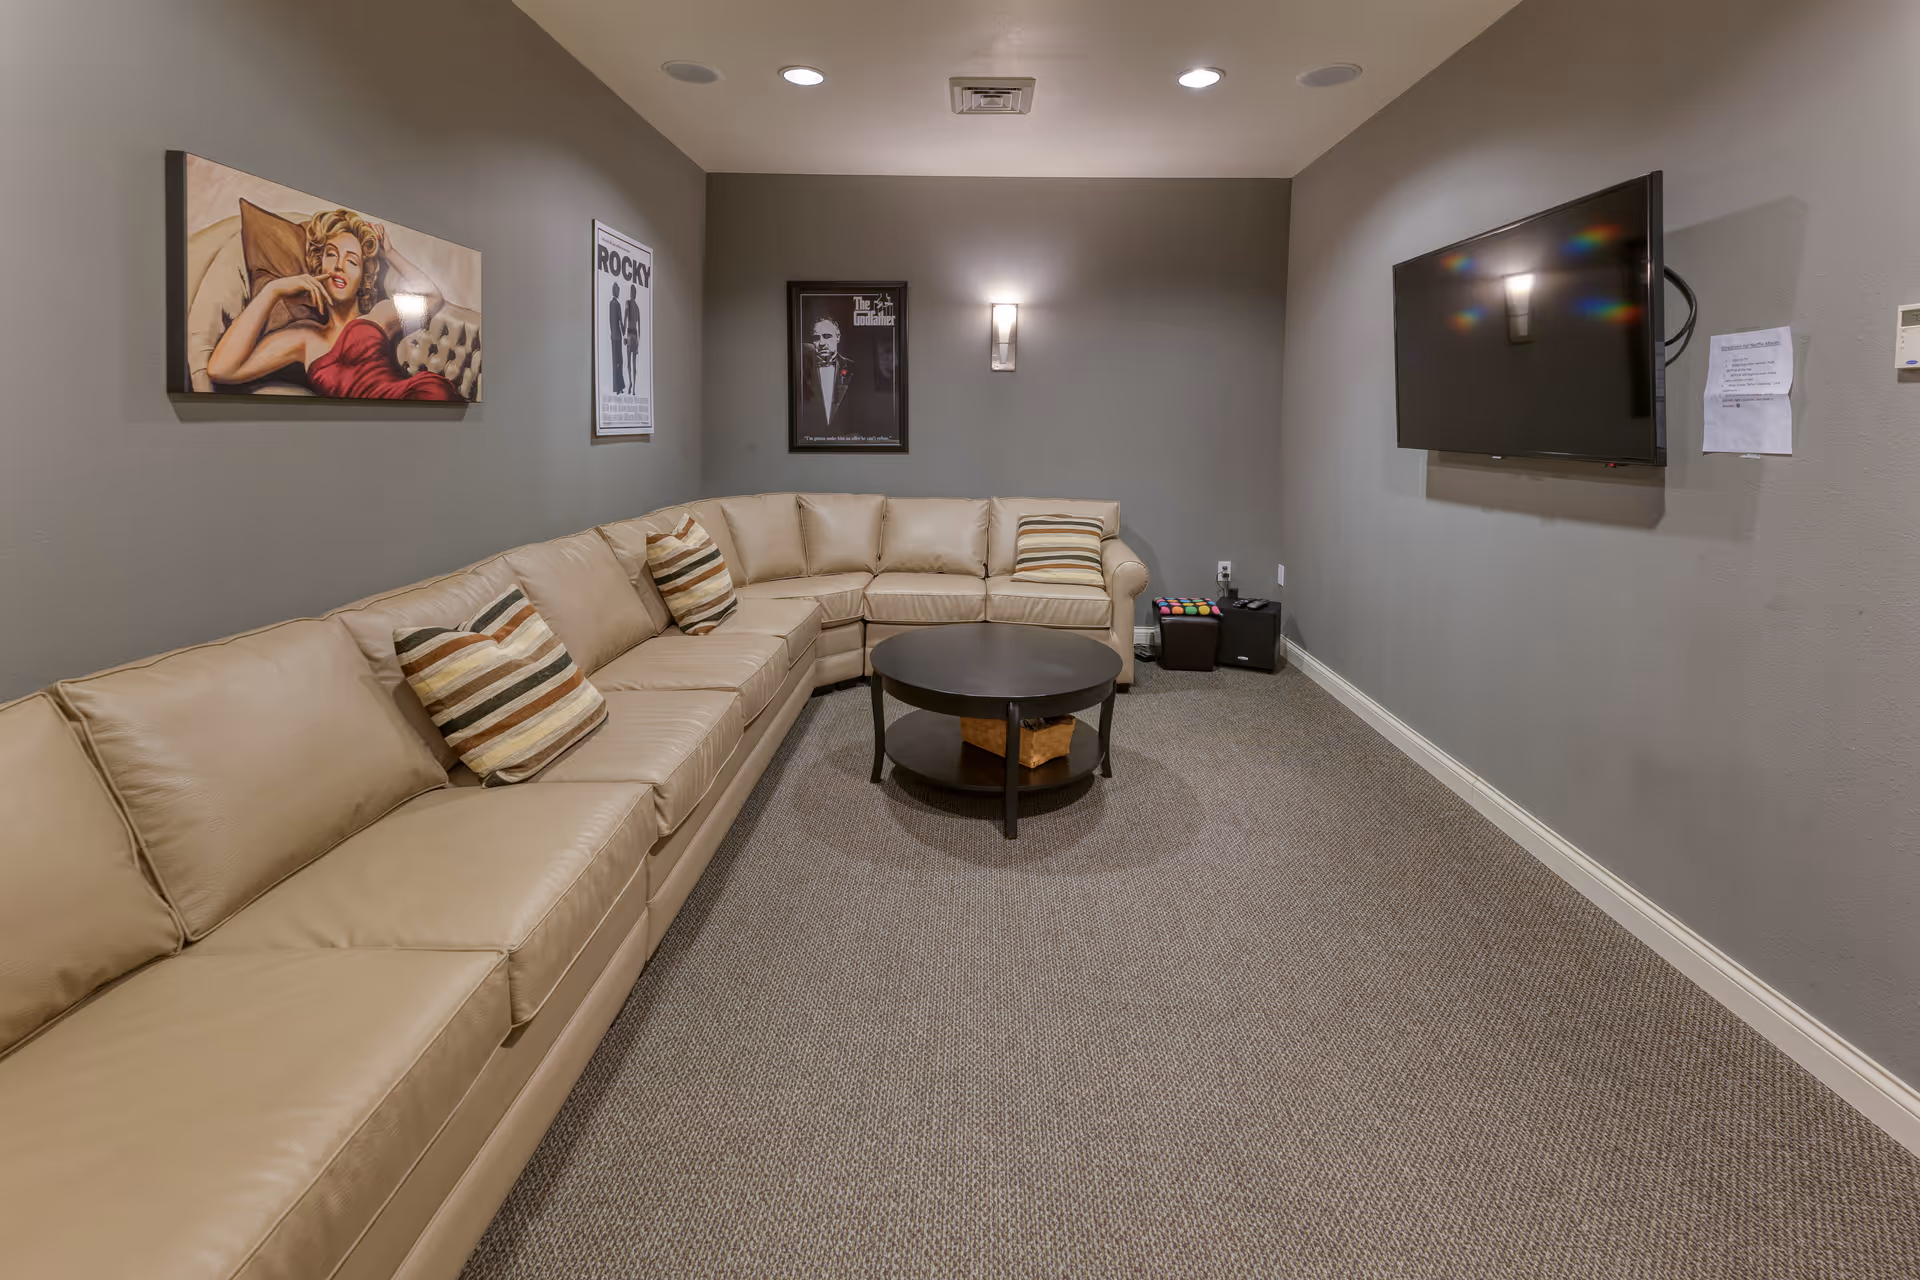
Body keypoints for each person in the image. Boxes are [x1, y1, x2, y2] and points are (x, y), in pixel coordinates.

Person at [206, 209, 462, 400]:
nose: (339, 265)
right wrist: (274, 291)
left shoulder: (379, 316)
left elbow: (433, 298)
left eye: (352, 261)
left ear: (363, 278)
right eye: (331, 254)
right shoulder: (303, 339)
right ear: (319, 264)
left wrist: (389, 253)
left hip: (415, 398)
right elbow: (221, 369)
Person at [608, 282, 627, 395]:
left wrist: (612, 333)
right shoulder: (618, 305)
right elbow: (621, 321)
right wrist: (624, 332)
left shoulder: (610, 304)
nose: (619, 292)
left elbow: (611, 321)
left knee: (615, 362)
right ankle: (619, 387)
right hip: (618, 337)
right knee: (620, 361)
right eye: (618, 291)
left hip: (613, 336)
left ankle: (617, 387)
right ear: (616, 291)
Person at [623, 284, 641, 390]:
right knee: (633, 363)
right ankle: (633, 386)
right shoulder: (637, 307)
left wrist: (624, 335)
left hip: (630, 335)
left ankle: (631, 383)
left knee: (630, 363)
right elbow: (640, 328)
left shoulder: (627, 303)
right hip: (635, 335)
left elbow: (625, 319)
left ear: (632, 293)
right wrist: (638, 343)